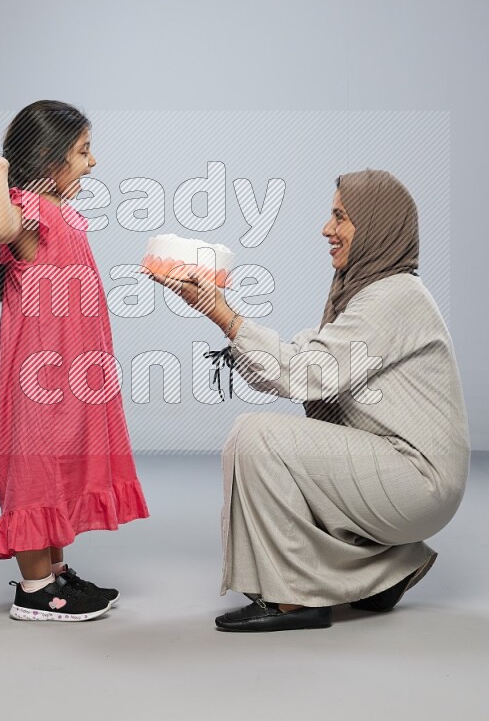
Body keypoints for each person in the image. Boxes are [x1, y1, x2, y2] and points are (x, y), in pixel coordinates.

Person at [146, 168, 470, 633]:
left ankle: (295, 598)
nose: (326, 228)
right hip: (404, 473)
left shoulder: (394, 297)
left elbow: (305, 376)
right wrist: (218, 310)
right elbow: (301, 356)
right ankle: (383, 574)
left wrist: (224, 314)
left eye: (340, 216)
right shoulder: (366, 294)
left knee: (256, 437)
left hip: (418, 481)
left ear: (376, 225)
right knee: (288, 445)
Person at [0, 100, 149, 621]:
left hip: (72, 372)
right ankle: (35, 590)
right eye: (84, 151)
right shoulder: (25, 210)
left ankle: (56, 574)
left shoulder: (60, 213)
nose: (93, 162)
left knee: (60, 466)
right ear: (49, 160)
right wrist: (0, 171)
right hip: (38, 374)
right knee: (36, 469)